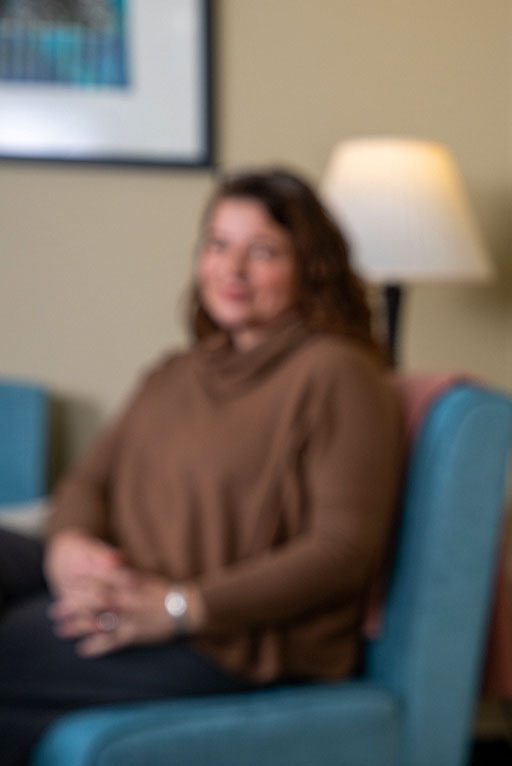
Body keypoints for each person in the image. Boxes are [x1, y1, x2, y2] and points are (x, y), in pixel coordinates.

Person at [0, 168, 401, 764]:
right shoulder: (176, 371)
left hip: (232, 637)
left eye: (261, 252)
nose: (231, 270)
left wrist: (178, 609)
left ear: (311, 268)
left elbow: (340, 553)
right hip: (134, 581)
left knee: (14, 646)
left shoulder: (337, 373)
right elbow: (87, 483)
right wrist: (71, 550)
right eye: (218, 244)